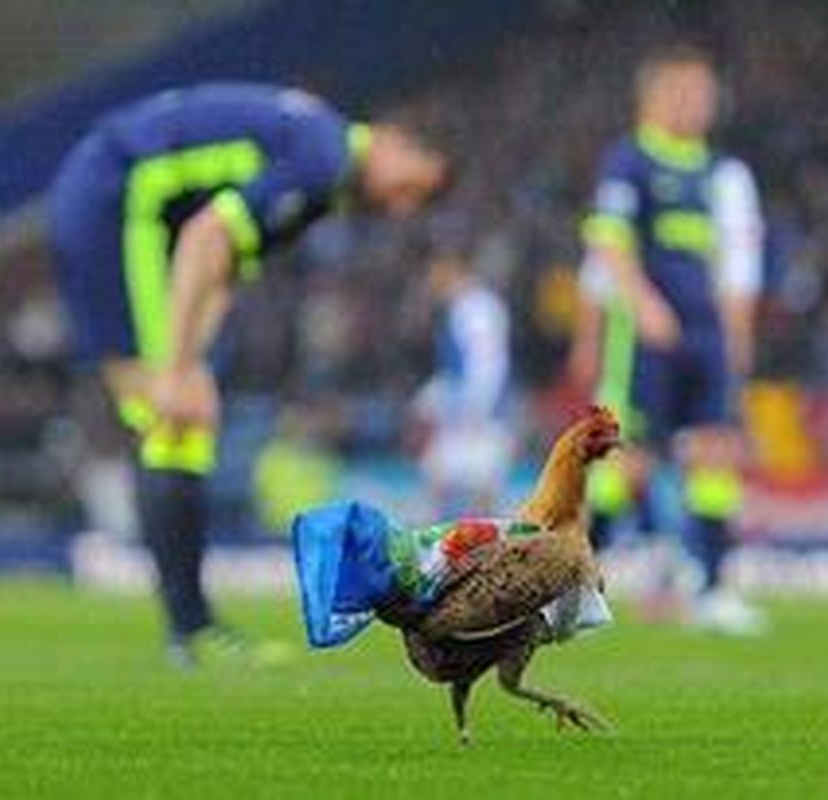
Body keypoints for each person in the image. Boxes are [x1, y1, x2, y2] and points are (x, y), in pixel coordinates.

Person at [49, 82, 448, 666]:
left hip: (115, 198)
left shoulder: (321, 161)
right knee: (174, 419)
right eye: (411, 187)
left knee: (179, 417)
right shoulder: (325, 159)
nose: (402, 206)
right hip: (118, 202)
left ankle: (191, 630)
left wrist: (191, 365)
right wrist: (181, 367)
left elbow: (222, 266)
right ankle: (191, 631)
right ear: (394, 142)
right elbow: (206, 236)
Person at [579, 45, 766, 634]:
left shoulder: (720, 172)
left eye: (704, 93)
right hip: (645, 333)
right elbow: (608, 239)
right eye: (683, 91)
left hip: (706, 335)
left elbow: (735, 264)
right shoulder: (629, 159)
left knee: (715, 452)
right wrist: (644, 304)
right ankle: (577, 586)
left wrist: (735, 337)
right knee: (623, 460)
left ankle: (711, 589)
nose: (696, 102)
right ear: (653, 96)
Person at [415, 252, 513, 518]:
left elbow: (488, 363)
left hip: (481, 414)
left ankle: (487, 547)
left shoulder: (476, 309)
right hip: (468, 409)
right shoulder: (465, 308)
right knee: (438, 474)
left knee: (479, 484)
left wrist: (477, 409)